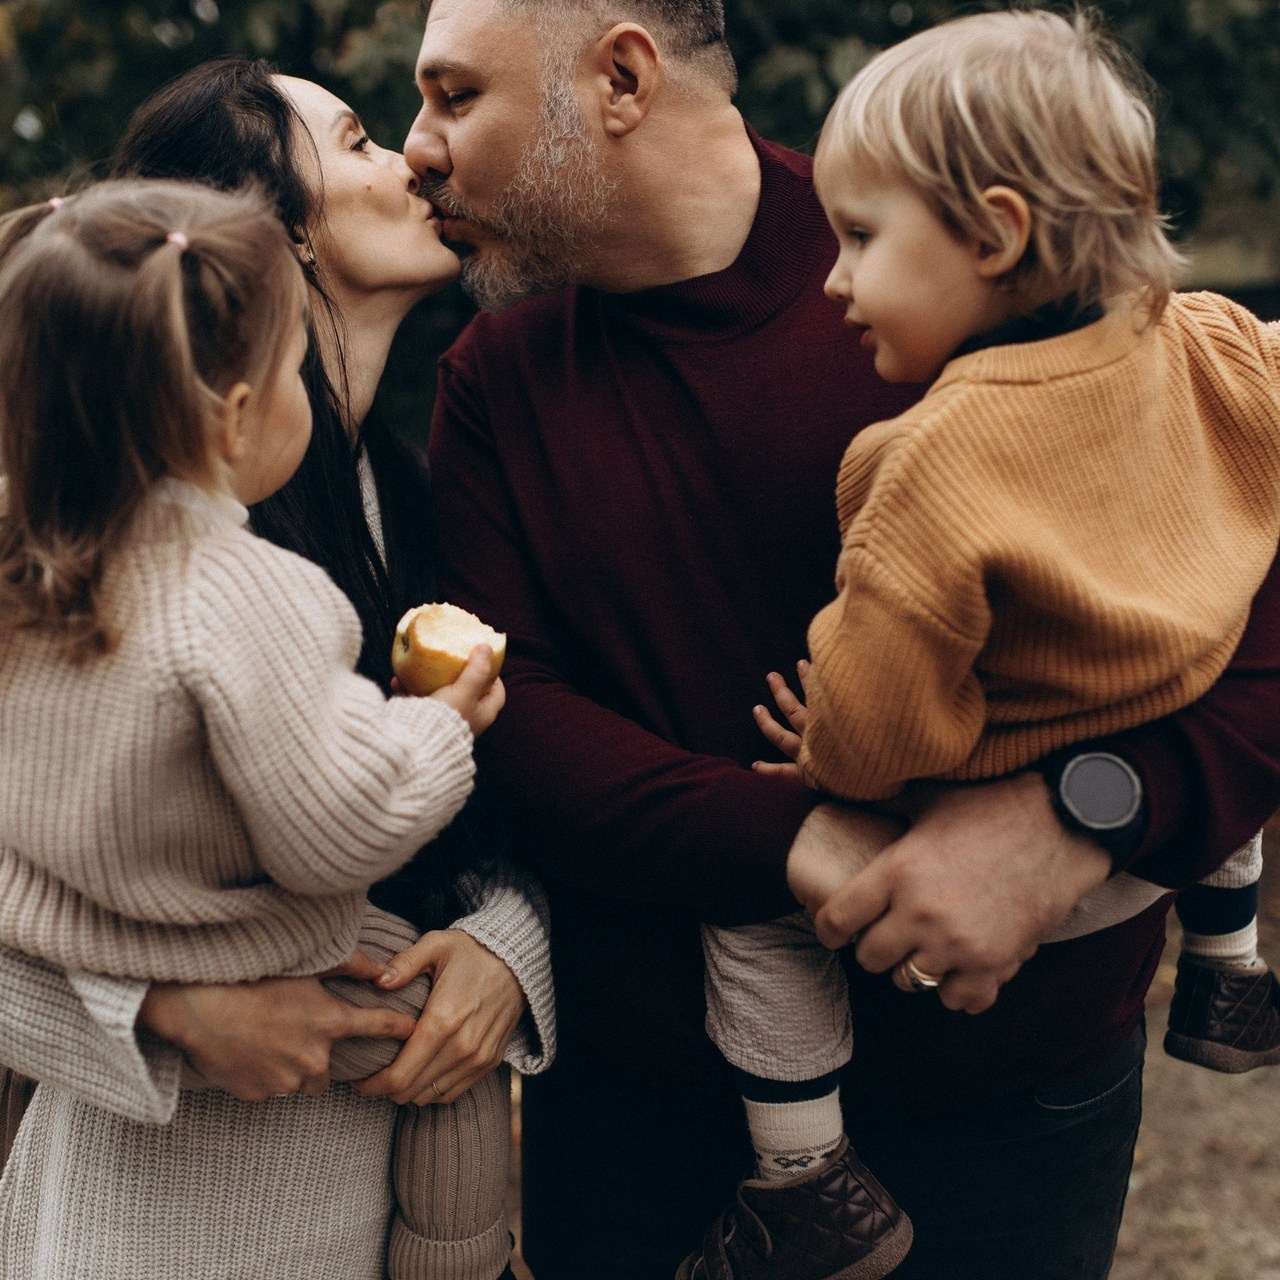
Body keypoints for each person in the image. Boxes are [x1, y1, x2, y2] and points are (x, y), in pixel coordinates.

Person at [406, 1, 1280, 1277]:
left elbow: (1240, 580)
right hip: (644, 1118)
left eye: (453, 95)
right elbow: (510, 714)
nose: (422, 146)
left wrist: (1079, 814)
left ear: (621, 77)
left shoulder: (958, 263)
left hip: (1014, 1104)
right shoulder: (494, 377)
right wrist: (800, 836)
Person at [691, 11, 1280, 1277]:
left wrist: (825, 730)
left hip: (984, 886)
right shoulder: (1209, 341)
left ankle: (804, 1177)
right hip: (1159, 848)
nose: (834, 279)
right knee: (1210, 646)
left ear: (995, 232)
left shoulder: (921, 466)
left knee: (753, 907)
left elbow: (880, 734)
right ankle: (1230, 963)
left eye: (859, 236)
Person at [0, 61, 554, 1280]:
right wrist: (166, 1017)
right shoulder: (114, 548)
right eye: (356, 140)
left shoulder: (419, 492)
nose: (410, 158)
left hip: (373, 1188)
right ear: (272, 231)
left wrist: (507, 949)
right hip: (152, 1213)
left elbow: (509, 783)